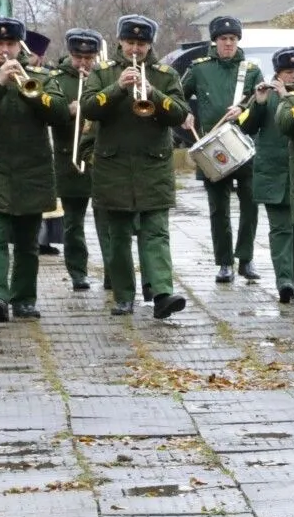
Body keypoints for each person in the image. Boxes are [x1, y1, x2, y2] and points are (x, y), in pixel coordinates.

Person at [85, 16, 189, 319]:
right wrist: (118, 87)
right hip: (113, 166)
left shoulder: (165, 74)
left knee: (155, 233)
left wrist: (151, 92)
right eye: (130, 42)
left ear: (150, 45)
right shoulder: (103, 73)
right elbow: (90, 108)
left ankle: (161, 295)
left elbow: (180, 113)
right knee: (117, 237)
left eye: (141, 43)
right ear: (119, 41)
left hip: (152, 165)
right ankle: (123, 296)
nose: (135, 48)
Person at [242, 48, 294, 316]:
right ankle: (284, 282)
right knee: (281, 231)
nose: (291, 77)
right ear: (276, 74)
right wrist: (259, 101)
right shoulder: (269, 96)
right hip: (274, 174)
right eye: (286, 72)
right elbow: (245, 125)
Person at [182, 16, 264, 284]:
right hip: (213, 150)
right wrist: (185, 115)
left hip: (246, 148)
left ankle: (246, 258)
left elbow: (262, 104)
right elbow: (177, 96)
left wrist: (243, 108)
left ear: (238, 41)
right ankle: (224, 263)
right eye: (223, 39)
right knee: (218, 208)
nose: (228, 44)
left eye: (232, 39)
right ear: (214, 41)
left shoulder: (250, 70)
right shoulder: (199, 69)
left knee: (250, 206)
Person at [0, 17, 56, 322]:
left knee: (28, 243)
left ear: (20, 46)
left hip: (32, 170)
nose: (5, 50)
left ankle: (24, 300)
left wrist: (33, 92)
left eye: (10, 44)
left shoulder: (41, 75)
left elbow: (59, 112)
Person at [38, 29, 105, 294]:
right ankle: (78, 273)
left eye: (89, 58)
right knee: (73, 223)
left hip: (101, 161)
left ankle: (113, 273)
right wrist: (68, 110)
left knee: (107, 223)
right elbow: (45, 115)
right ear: (70, 54)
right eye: (78, 57)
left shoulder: (104, 77)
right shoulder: (55, 80)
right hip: (69, 160)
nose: (83, 63)